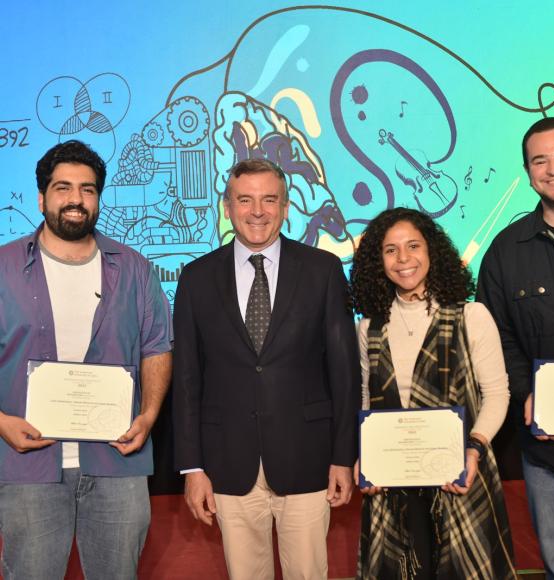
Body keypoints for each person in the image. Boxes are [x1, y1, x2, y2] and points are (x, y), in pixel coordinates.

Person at [172, 158, 360, 580]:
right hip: (227, 463)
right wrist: (192, 467)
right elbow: (187, 379)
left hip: (309, 459)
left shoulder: (323, 270)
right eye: (245, 200)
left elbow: (344, 372)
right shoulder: (196, 278)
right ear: (227, 207)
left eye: (269, 199)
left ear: (287, 206)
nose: (257, 210)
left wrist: (343, 456)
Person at [0, 140, 173, 579]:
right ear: (42, 198)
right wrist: (1, 423)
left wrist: (149, 415)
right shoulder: (2, 268)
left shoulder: (135, 268)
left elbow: (156, 346)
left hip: (118, 462)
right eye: (63, 188)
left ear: (98, 198)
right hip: (28, 467)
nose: (76, 199)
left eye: (88, 189)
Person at [351, 207, 516, 579]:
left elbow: (497, 394)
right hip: (392, 482)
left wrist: (474, 447)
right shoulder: (368, 327)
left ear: (432, 252)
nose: (403, 258)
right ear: (378, 261)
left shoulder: (470, 316)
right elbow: (366, 398)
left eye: (413, 246)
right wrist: (365, 453)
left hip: (459, 474)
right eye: (390, 250)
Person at [477, 116, 554, 579]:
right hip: (549, 449)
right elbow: (495, 337)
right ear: (527, 170)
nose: (553, 168)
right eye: (540, 160)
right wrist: (526, 391)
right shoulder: (504, 251)